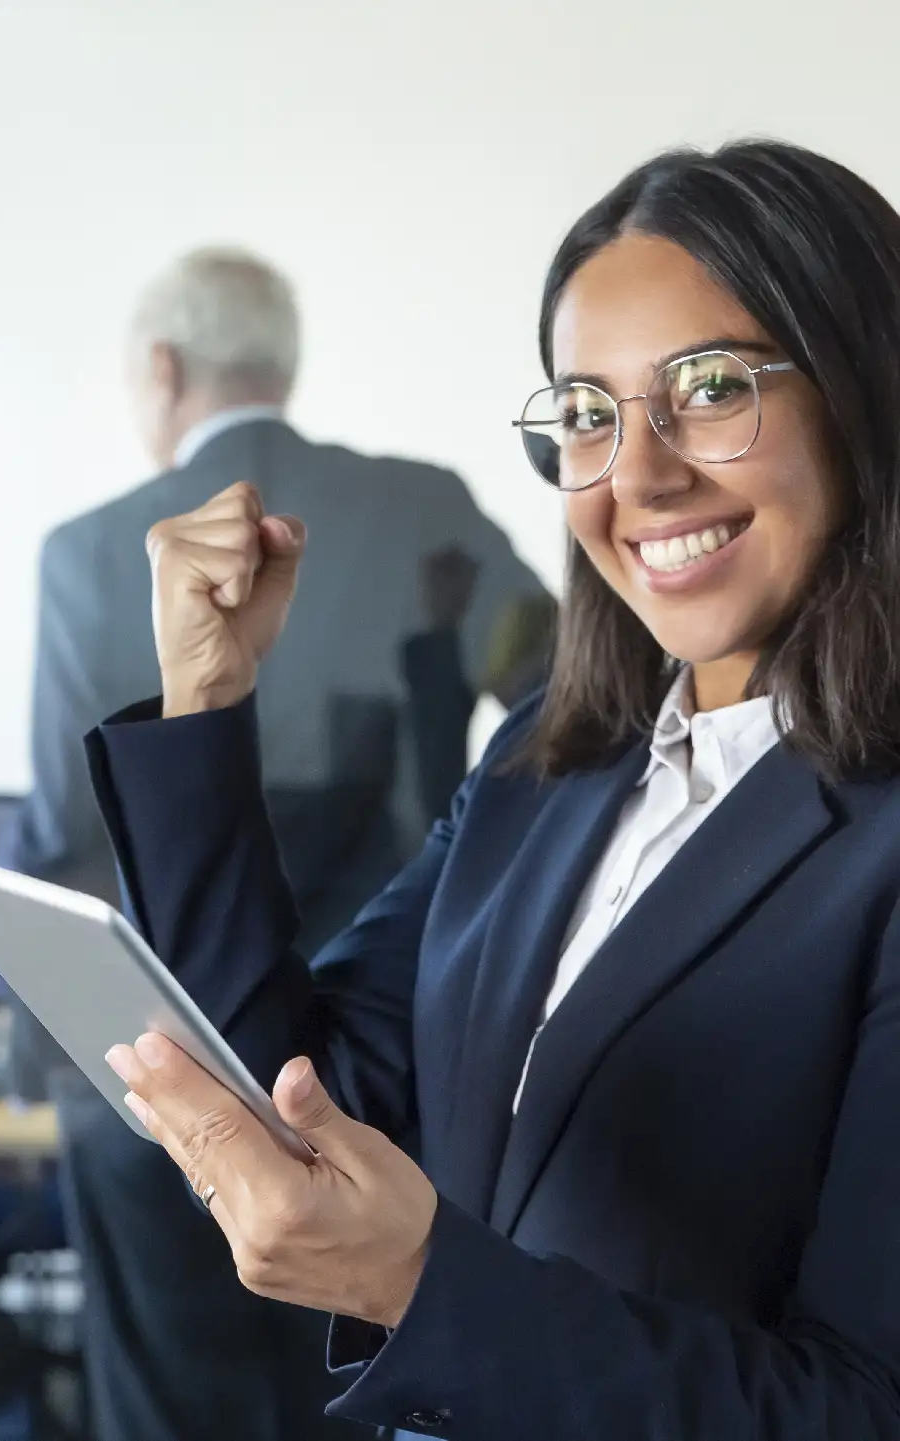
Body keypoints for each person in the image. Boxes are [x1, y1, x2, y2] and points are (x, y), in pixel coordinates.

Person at [86, 138, 900, 1441]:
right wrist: (206, 699)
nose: (638, 476)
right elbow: (296, 1088)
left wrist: (419, 1289)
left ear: (865, 391)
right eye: (588, 411)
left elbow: (864, 1409)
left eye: (710, 387)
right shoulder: (549, 762)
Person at [3, 247, 548, 1441]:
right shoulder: (427, 508)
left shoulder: (88, 550)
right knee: (366, 1393)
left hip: (150, 1076)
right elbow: (568, 700)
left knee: (164, 1408)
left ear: (161, 368)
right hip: (382, 1073)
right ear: (278, 362)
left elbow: (57, 828)